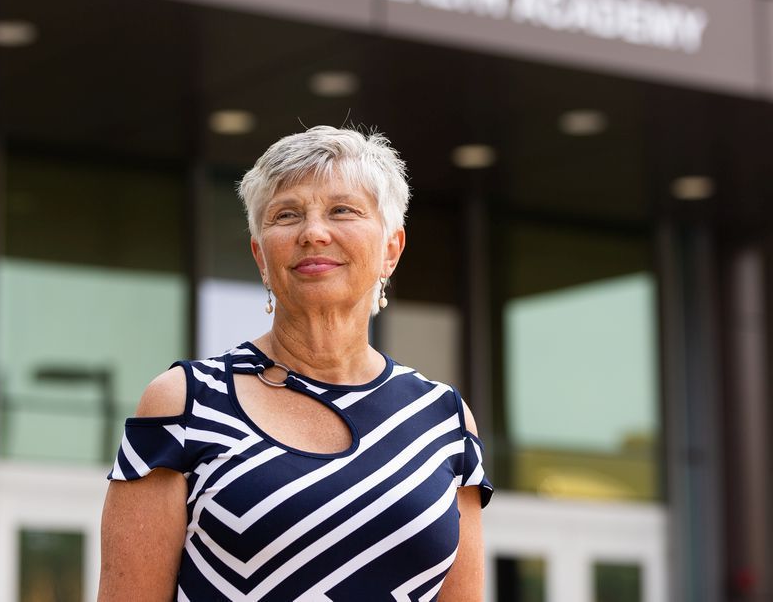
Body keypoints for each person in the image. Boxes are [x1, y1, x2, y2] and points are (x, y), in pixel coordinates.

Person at [98, 126, 493, 601]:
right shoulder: (185, 405)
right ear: (261, 257)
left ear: (392, 249)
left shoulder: (443, 418)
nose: (313, 233)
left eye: (342, 210)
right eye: (287, 215)